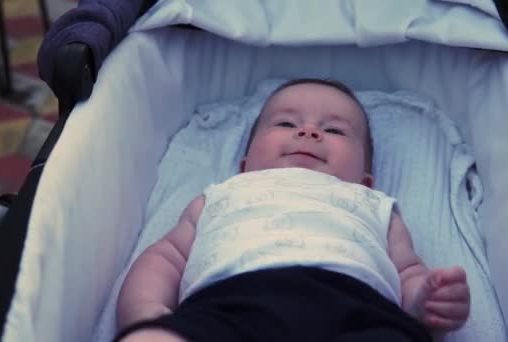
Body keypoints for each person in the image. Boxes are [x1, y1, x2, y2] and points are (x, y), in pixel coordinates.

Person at [115, 79, 470, 342]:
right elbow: (165, 258)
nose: (309, 132)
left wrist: (426, 298)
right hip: (230, 304)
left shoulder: (374, 205)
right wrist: (147, 313)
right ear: (244, 165)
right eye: (286, 123)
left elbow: (407, 270)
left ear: (366, 179)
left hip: (358, 311)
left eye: (334, 130)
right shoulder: (222, 195)